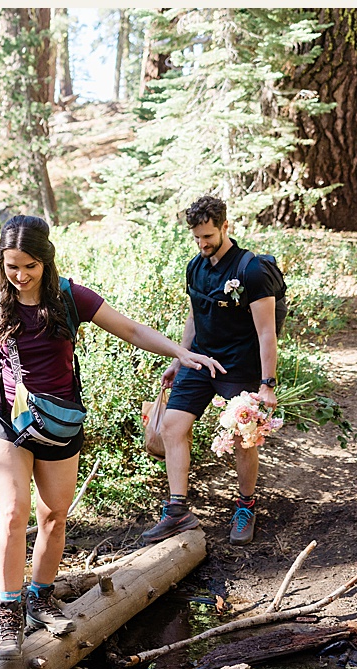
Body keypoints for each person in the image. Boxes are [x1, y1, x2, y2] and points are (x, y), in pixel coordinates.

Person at [0, 215, 225, 662]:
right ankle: (8, 614)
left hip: (59, 421)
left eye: (29, 266)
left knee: (55, 516)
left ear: (45, 260)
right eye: (11, 267)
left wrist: (180, 351)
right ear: (1, 264)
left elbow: (130, 329)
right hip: (6, 418)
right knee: (12, 512)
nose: (20, 275)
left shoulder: (70, 296)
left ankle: (39, 599)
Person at [143, 196, 284, 546]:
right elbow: (196, 315)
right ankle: (178, 512)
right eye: (196, 238)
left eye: (208, 236)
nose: (203, 243)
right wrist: (179, 358)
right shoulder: (196, 266)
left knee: (242, 437)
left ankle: (245, 506)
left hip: (239, 365)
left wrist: (267, 384)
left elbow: (267, 331)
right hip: (200, 359)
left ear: (225, 226)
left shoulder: (251, 270)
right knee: (173, 426)